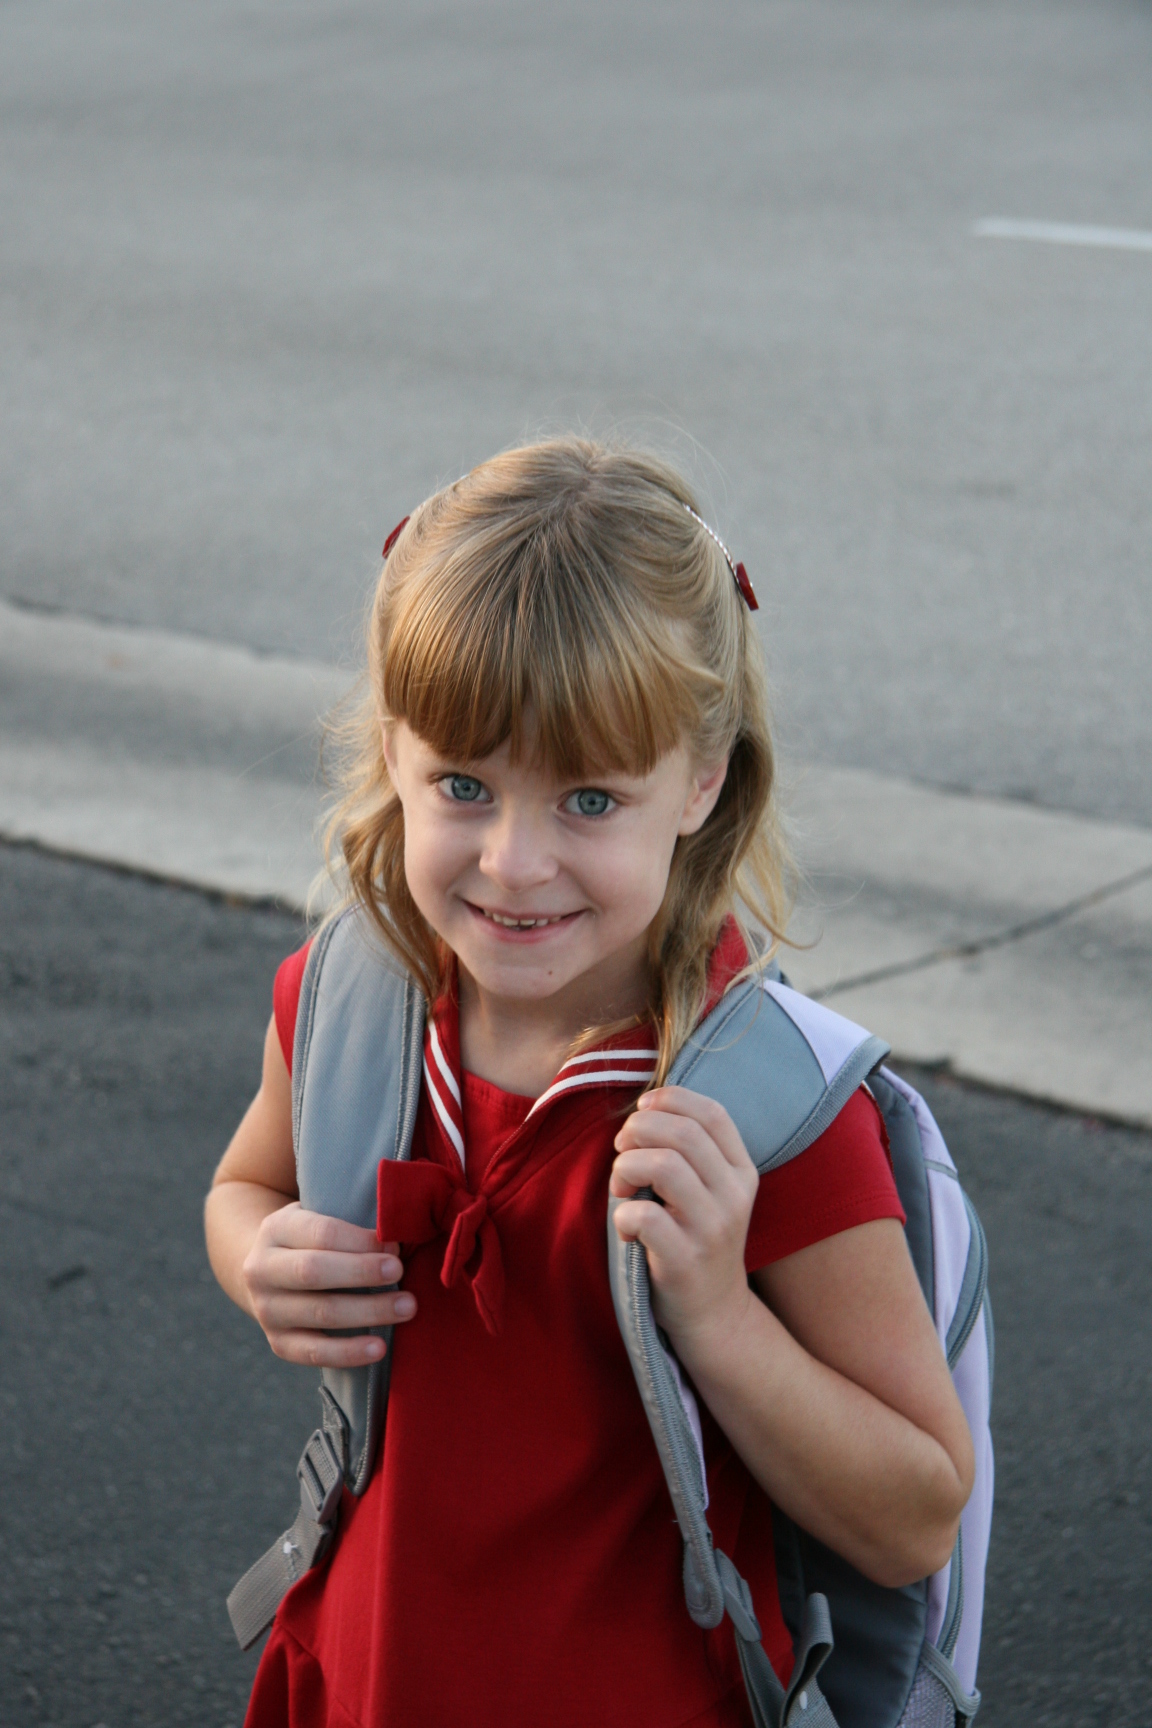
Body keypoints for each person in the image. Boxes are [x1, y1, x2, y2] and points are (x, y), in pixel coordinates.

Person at [204, 438, 974, 1728]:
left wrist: (718, 1315)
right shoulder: (348, 1003)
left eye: (591, 801)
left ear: (703, 781)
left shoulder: (768, 1113)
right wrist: (257, 1259)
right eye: (464, 784)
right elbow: (245, 1187)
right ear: (393, 750)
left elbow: (917, 1517)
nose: (514, 862)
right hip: (365, 1677)